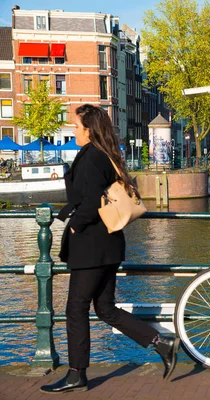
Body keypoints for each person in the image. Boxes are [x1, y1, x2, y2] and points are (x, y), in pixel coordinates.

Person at [40, 105, 179, 394]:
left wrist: (76, 223)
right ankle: (161, 342)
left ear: (89, 130)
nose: (73, 130)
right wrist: (67, 214)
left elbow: (90, 202)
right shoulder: (103, 154)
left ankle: (77, 374)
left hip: (91, 246)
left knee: (75, 308)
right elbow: (91, 195)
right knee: (104, 307)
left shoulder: (91, 157)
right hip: (109, 244)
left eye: (76, 126)